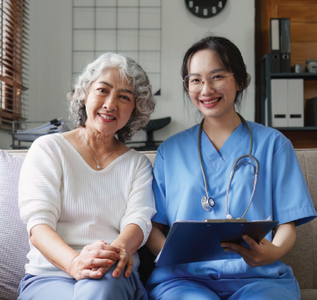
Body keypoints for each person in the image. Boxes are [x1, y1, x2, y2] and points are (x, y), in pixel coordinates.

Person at [145, 35, 317, 300]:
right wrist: (172, 252)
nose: (206, 89)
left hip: (259, 277)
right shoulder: (170, 151)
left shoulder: (274, 145)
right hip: (184, 280)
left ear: (240, 80)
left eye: (217, 76)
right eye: (195, 80)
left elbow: (287, 225)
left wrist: (272, 252)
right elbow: (153, 229)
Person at [18, 53, 156, 300]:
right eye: (103, 90)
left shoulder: (138, 165)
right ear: (84, 94)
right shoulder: (48, 149)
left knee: (101, 285)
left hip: (112, 271)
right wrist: (74, 263)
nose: (110, 104)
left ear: (135, 109)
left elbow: (139, 221)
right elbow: (38, 227)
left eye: (124, 97)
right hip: (50, 275)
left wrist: (112, 253)